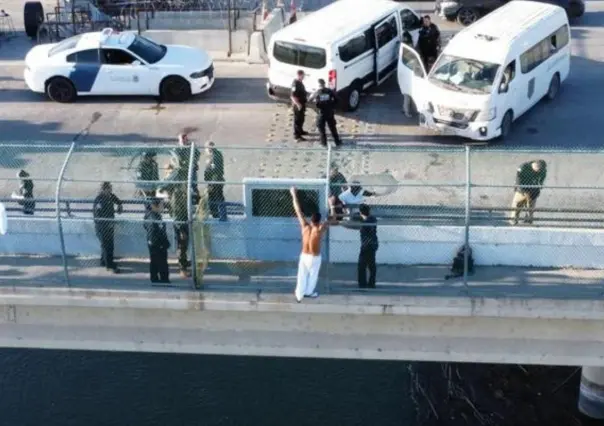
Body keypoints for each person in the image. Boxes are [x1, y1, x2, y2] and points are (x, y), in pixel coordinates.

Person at [290, 186, 336, 302]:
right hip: (314, 257)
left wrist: (294, 194)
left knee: (302, 275)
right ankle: (309, 292)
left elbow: (298, 210)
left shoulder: (305, 226)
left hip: (304, 255)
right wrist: (332, 205)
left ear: (311, 220)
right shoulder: (320, 228)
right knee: (313, 275)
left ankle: (299, 295)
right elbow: (334, 218)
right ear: (319, 221)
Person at [92, 182, 123, 273]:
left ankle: (103, 261)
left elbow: (117, 200)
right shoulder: (99, 200)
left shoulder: (109, 196)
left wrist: (120, 205)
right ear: (104, 189)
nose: (111, 191)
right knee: (107, 246)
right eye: (109, 189)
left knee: (108, 245)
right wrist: (106, 224)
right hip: (102, 227)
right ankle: (109, 265)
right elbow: (98, 216)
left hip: (109, 225)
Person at [510, 160, 547, 225]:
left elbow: (541, 180)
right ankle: (514, 219)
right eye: (538, 169)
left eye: (540, 170)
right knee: (517, 204)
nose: (539, 171)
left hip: (533, 190)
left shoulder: (543, 170)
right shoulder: (524, 167)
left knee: (530, 207)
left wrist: (539, 187)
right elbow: (518, 179)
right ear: (535, 165)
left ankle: (528, 220)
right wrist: (522, 190)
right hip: (522, 188)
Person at [308, 78, 342, 147]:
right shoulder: (329, 91)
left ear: (319, 85)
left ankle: (323, 143)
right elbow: (337, 99)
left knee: (321, 128)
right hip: (329, 112)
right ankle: (337, 142)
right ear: (324, 84)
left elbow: (309, 100)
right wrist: (332, 106)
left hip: (321, 113)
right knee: (332, 128)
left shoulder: (316, 92)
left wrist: (316, 107)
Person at [144, 199, 170, 283]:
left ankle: (158, 278)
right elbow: (153, 232)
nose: (163, 207)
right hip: (157, 244)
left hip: (158, 243)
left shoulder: (156, 215)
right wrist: (160, 244)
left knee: (157, 262)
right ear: (154, 206)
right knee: (159, 262)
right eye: (161, 205)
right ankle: (162, 279)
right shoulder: (152, 217)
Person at [169, 182, 190, 278]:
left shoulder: (181, 195)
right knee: (181, 246)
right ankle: (182, 269)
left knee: (184, 246)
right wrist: (181, 229)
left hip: (183, 222)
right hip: (180, 225)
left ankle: (184, 263)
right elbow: (176, 215)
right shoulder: (177, 197)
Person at [357, 204, 379, 289]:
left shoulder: (365, 223)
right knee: (371, 264)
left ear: (361, 212)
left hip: (366, 245)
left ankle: (362, 284)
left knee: (362, 265)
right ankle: (371, 283)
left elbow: (356, 226)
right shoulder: (372, 218)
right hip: (373, 243)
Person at [204, 141, 226, 220]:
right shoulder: (214, 155)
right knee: (218, 197)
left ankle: (217, 215)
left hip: (215, 180)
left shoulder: (214, 156)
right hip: (215, 179)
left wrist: (208, 167)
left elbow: (213, 169)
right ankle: (219, 214)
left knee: (214, 197)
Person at [291, 70, 309, 142]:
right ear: (299, 75)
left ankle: (301, 131)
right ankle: (297, 135)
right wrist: (298, 104)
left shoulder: (300, 82)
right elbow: (292, 96)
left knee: (301, 119)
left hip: (302, 103)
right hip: (298, 104)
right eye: (303, 75)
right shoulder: (295, 83)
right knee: (297, 120)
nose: (304, 77)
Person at [402, 31, 414, 118]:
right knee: (408, 96)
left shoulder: (404, 49)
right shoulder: (408, 51)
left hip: (404, 76)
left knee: (406, 96)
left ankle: (404, 109)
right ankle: (406, 111)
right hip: (407, 77)